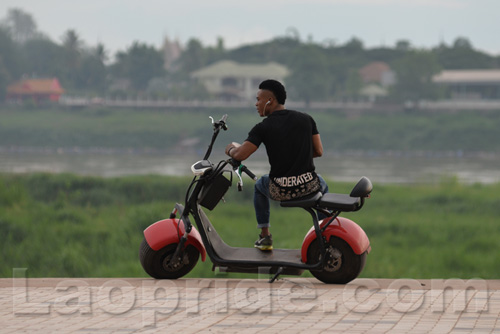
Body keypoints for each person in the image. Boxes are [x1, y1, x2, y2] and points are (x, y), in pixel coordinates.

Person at [225, 79, 328, 251]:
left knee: (259, 185)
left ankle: (265, 237)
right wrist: (296, 154)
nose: (256, 104)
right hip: (309, 186)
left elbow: (241, 154)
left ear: (270, 101)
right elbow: (318, 151)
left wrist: (230, 149)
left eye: (258, 99)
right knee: (322, 183)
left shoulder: (263, 128)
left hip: (279, 189)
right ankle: (323, 231)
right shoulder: (306, 120)